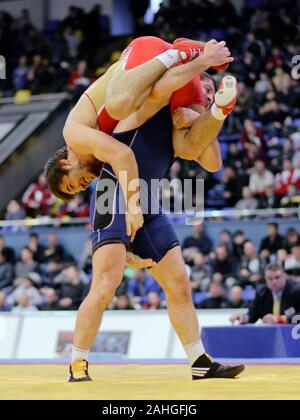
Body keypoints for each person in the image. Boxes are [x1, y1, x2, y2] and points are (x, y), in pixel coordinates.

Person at [67, 37, 244, 382]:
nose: (204, 96)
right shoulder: (152, 98)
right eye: (204, 91)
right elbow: (165, 87)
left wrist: (207, 113)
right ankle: (77, 363)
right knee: (106, 281)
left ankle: (199, 361)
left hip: (146, 198)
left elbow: (212, 160)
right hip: (112, 189)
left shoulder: (185, 119)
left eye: (210, 96)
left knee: (179, 280)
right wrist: (198, 62)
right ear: (193, 82)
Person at [230, 263, 300, 325]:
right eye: (270, 278)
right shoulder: (261, 293)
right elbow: (252, 315)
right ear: (265, 279)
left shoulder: (296, 290)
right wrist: (243, 317)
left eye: (277, 277)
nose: (274, 282)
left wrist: (282, 319)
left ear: (284, 276)